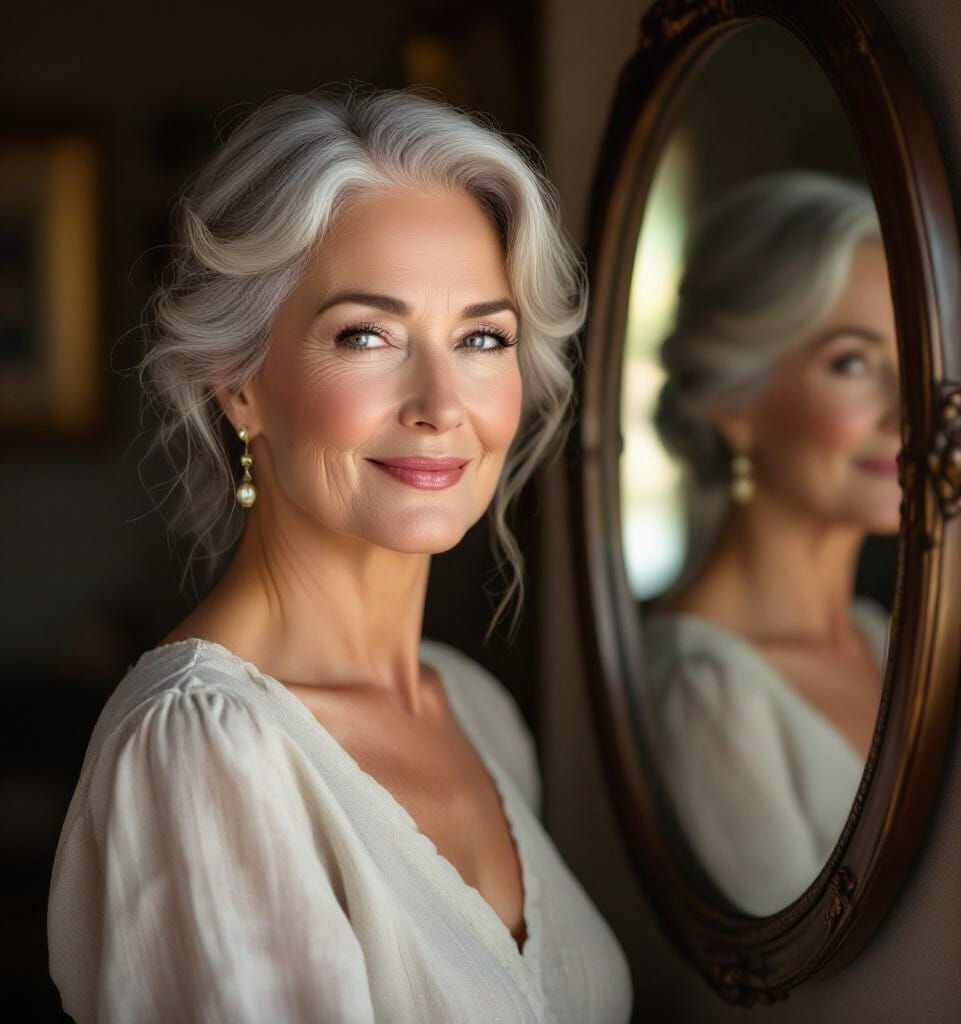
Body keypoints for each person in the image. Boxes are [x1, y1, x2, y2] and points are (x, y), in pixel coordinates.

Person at [47, 87, 632, 1023]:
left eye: (482, 337)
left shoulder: (476, 710)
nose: (441, 404)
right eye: (368, 335)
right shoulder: (203, 750)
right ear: (239, 384)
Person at [644, 171, 899, 916]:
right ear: (735, 399)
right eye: (853, 362)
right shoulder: (704, 691)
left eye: (917, 362)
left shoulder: (883, 640)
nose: (910, 410)